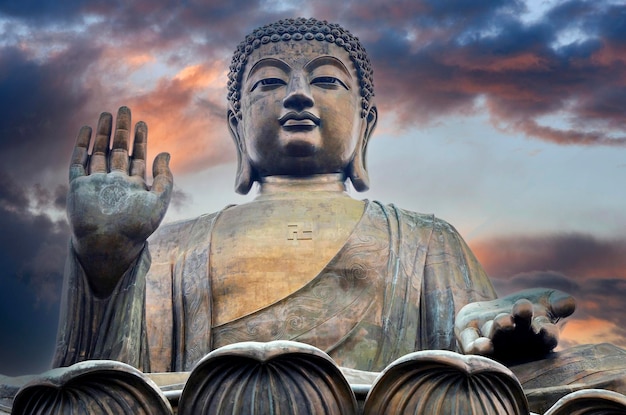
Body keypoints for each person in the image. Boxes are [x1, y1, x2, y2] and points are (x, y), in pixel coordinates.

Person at [54, 18, 577, 375]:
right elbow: (105, 376)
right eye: (268, 84)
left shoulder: (425, 239)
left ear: (365, 126)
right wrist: (107, 265)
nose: (298, 94)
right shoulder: (171, 248)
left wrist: (485, 331)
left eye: (326, 79)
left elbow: (470, 343)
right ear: (237, 126)